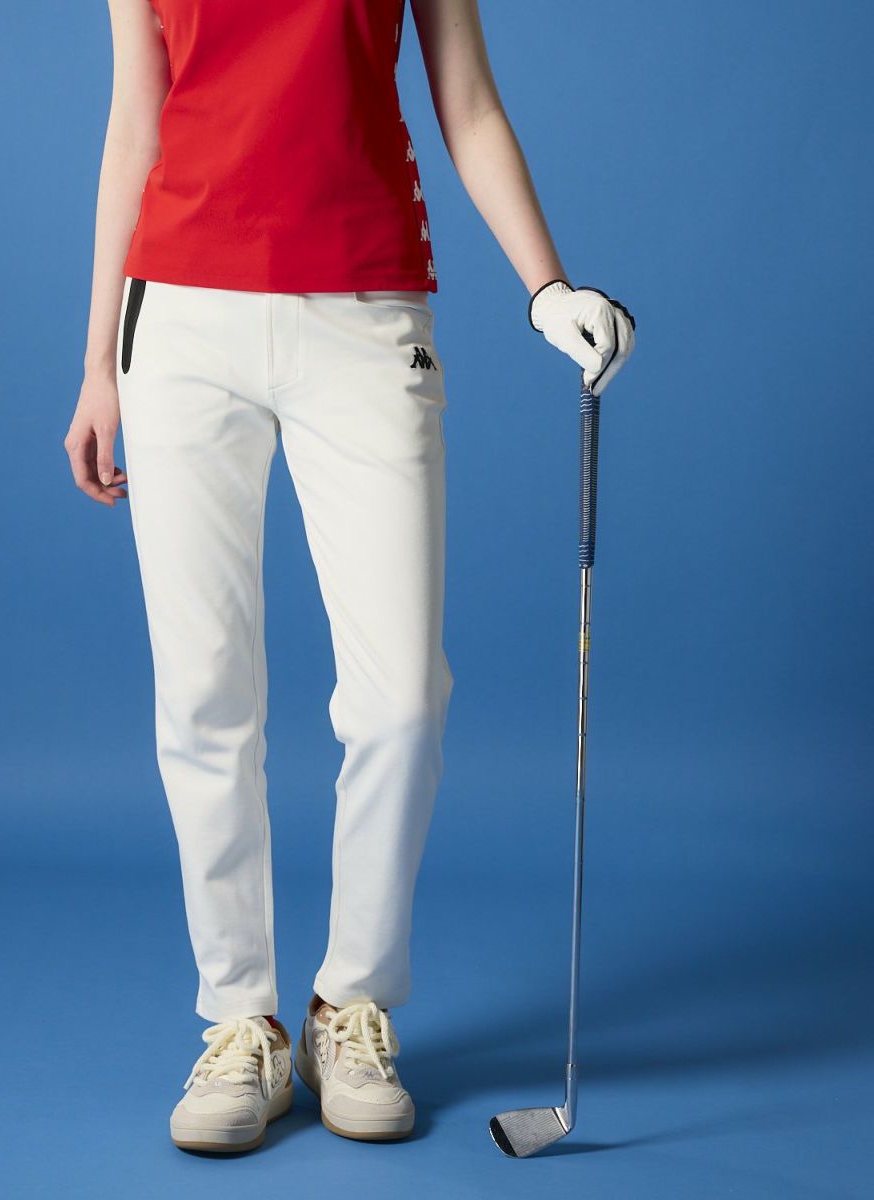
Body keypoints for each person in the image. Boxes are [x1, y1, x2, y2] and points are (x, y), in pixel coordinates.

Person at [64, 0, 635, 1155]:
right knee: (203, 694)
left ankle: (349, 1007)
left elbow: (467, 100)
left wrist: (548, 287)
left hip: (368, 311)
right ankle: (241, 1021)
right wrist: (98, 367)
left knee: (402, 700)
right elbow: (135, 121)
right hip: (179, 320)